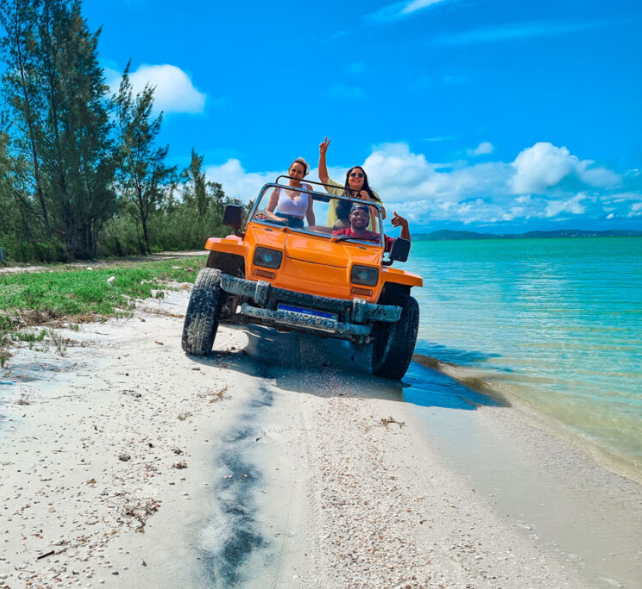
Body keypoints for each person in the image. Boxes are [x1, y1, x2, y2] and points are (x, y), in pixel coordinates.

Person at [318, 137, 385, 230]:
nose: (356, 177)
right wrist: (322, 154)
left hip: (364, 237)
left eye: (360, 175)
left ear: (364, 179)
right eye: (353, 175)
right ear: (348, 179)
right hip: (337, 235)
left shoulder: (372, 194)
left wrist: (369, 200)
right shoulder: (338, 190)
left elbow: (383, 215)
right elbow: (323, 177)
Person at [332, 203, 410, 252]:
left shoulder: (378, 238)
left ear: (368, 219)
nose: (360, 217)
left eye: (364, 215)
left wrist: (405, 227)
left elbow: (402, 250)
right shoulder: (339, 235)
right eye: (356, 214)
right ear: (350, 217)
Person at [265, 158, 315, 228]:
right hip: (279, 224)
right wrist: (278, 219)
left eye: (299, 172)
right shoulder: (279, 188)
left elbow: (309, 212)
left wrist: (312, 228)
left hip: (298, 226)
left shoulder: (308, 188)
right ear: (289, 171)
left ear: (303, 176)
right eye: (293, 170)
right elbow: (268, 211)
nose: (295, 174)